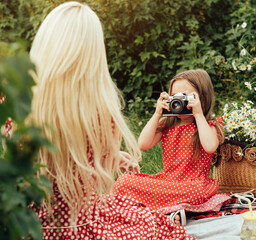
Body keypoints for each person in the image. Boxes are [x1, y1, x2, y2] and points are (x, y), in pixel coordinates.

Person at [29, 2, 194, 239]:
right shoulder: (98, 114)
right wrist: (106, 156)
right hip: (80, 227)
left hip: (28, 226)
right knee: (150, 222)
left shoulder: (16, 104)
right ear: (92, 54)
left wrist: (110, 155)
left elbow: (54, 158)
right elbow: (91, 180)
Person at [112, 69, 230, 226]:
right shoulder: (167, 125)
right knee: (123, 181)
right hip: (167, 182)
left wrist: (198, 114)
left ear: (203, 98)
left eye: (186, 97)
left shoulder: (209, 126)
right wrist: (157, 114)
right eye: (175, 96)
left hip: (192, 187)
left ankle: (155, 211)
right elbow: (143, 144)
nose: (179, 101)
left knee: (196, 192)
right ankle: (168, 212)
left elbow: (210, 147)